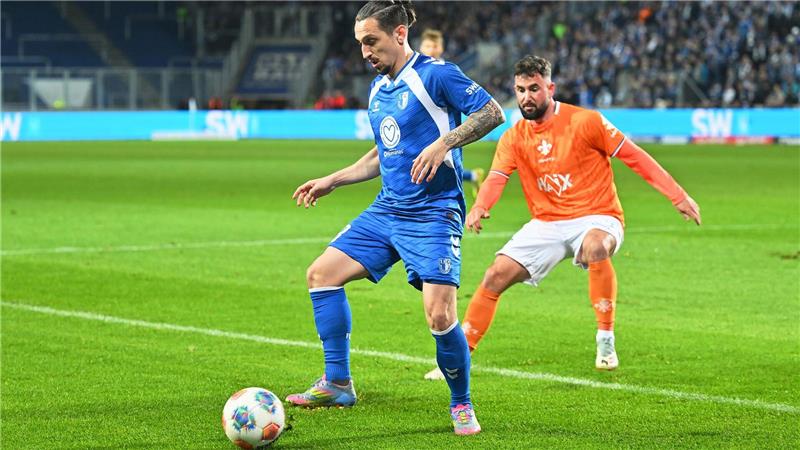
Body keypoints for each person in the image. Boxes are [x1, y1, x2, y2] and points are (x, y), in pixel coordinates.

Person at [287, 0, 505, 436]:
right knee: (321, 275)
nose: (365, 52)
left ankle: (461, 404)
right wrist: (335, 179)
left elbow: (492, 113)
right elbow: (381, 153)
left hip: (434, 212)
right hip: (388, 209)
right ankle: (337, 383)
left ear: (399, 34)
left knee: (440, 316)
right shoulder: (378, 90)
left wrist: (446, 143)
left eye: (372, 41)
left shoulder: (436, 75)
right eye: (360, 44)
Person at [425, 55, 701, 380]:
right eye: (520, 90)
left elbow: (634, 157)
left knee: (596, 246)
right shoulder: (513, 137)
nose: (527, 96)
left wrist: (677, 195)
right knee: (495, 276)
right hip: (547, 222)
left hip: (598, 214)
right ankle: (458, 360)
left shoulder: (586, 122)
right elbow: (498, 176)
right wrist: (481, 206)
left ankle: (606, 340)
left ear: (550, 88)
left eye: (534, 89)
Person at [419, 27, 486, 198]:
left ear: (441, 48)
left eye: (434, 46)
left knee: (444, 172)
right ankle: (472, 175)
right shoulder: (415, 73)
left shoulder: (447, 73)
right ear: (420, 47)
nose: (431, 50)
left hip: (444, 133)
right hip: (423, 132)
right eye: (427, 46)